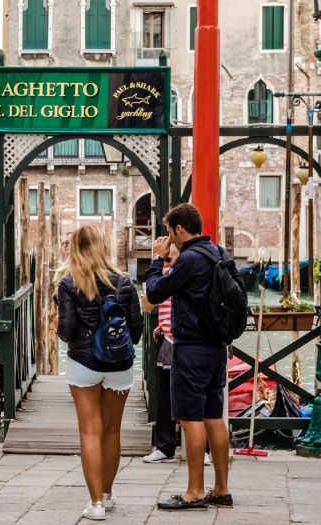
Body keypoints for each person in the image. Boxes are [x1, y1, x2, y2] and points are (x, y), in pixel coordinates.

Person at [146, 203, 233, 510]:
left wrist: (157, 260)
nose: (169, 238)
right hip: (216, 348)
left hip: (191, 348)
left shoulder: (189, 259)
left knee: (190, 418)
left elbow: (155, 293)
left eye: (170, 232)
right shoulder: (218, 253)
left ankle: (194, 490)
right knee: (213, 417)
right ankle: (221, 489)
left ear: (179, 229)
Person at [57, 225, 143, 521]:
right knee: (112, 431)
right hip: (119, 364)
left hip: (84, 363)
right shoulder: (126, 282)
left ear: (75, 249)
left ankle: (94, 504)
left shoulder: (68, 283)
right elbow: (137, 331)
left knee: (89, 431)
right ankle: (106, 493)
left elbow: (65, 330)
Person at [142, 243, 178, 464]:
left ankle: (202, 449)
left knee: (191, 395)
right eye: (165, 261)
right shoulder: (163, 279)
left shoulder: (185, 273)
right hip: (166, 338)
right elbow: (146, 305)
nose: (167, 266)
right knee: (164, 396)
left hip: (189, 340)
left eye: (170, 260)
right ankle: (165, 446)